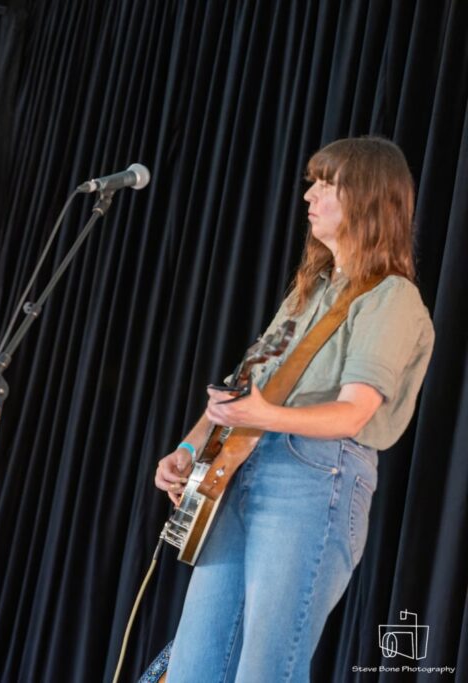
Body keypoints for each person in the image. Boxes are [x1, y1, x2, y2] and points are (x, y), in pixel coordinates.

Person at [154, 137, 434, 682]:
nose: (309, 194)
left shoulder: (391, 298)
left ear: (367, 198)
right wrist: (189, 448)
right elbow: (244, 386)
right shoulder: (310, 291)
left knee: (266, 669)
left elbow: (352, 414)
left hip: (316, 478)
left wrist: (262, 417)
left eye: (325, 184)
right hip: (244, 470)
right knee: (193, 667)